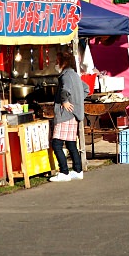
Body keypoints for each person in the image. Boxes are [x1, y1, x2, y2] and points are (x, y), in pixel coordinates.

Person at [50, 49, 87, 182]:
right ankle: (78, 170)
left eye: (57, 61)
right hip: (74, 114)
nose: (56, 63)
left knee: (57, 143)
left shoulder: (66, 76)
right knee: (71, 143)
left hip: (65, 114)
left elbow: (65, 90)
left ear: (63, 62)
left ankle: (64, 172)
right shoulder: (75, 75)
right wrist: (77, 101)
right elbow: (86, 88)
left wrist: (65, 101)